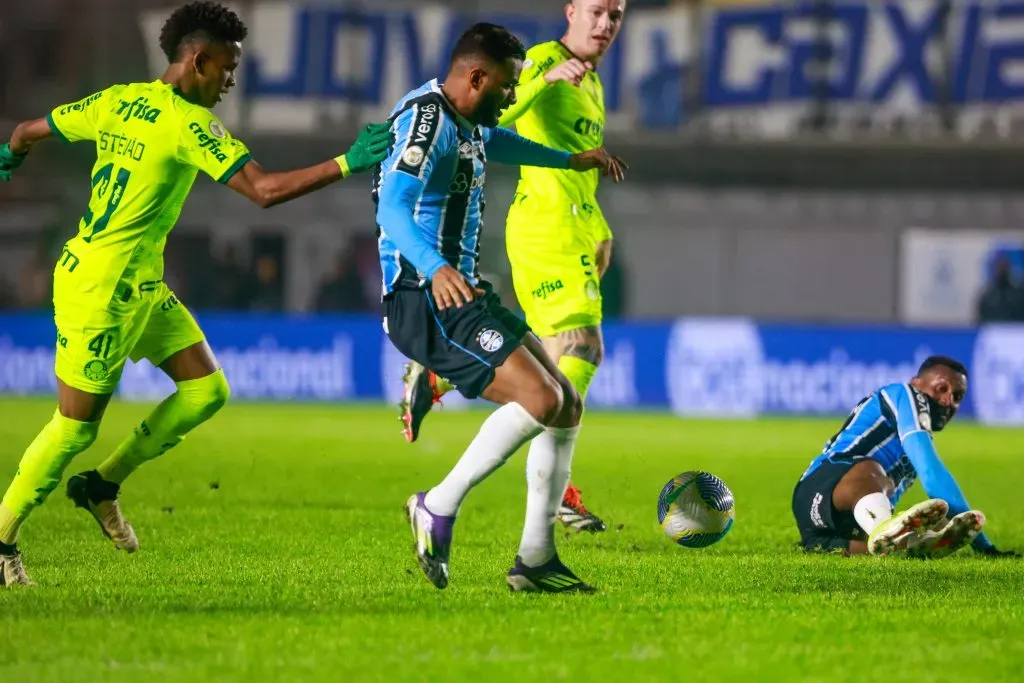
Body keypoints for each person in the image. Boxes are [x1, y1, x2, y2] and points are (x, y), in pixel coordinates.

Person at [0, 0, 392, 587]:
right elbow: (261, 190)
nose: (231, 81)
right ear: (199, 60)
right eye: (228, 69)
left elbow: (29, 129)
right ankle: (1, 537)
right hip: (102, 288)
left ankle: (101, 484)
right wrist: (347, 161)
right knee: (74, 427)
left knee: (206, 389)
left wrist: (10, 156)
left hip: (139, 283)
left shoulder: (115, 99)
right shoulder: (188, 125)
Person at [376, 22, 625, 592]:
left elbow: (497, 143)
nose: (514, 97)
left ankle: (535, 559)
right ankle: (436, 504)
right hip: (427, 296)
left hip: (463, 290)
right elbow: (393, 208)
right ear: (476, 75)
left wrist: (568, 160)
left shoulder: (466, 119)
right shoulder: (427, 119)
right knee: (540, 397)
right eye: (508, 87)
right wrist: (433, 267)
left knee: (565, 403)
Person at [792, 356, 1017, 558]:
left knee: (930, 521)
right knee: (879, 477)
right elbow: (931, 472)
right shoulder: (906, 395)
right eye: (941, 388)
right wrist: (985, 547)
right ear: (917, 383)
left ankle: (909, 544)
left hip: (825, 528)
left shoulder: (909, 442)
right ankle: (896, 533)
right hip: (820, 486)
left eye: (957, 396)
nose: (948, 401)